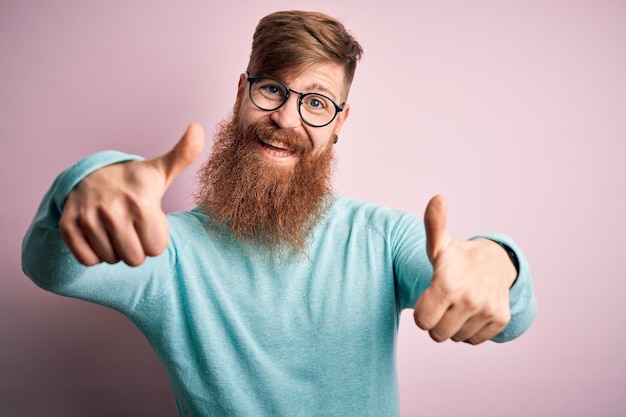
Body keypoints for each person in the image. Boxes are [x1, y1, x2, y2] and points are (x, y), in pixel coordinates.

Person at [22, 10, 537, 417]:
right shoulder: (168, 251)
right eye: (272, 89)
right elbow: (52, 267)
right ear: (242, 90)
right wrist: (86, 181)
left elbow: (508, 315)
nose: (286, 119)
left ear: (340, 123)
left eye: (316, 103)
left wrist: (496, 262)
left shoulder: (382, 238)